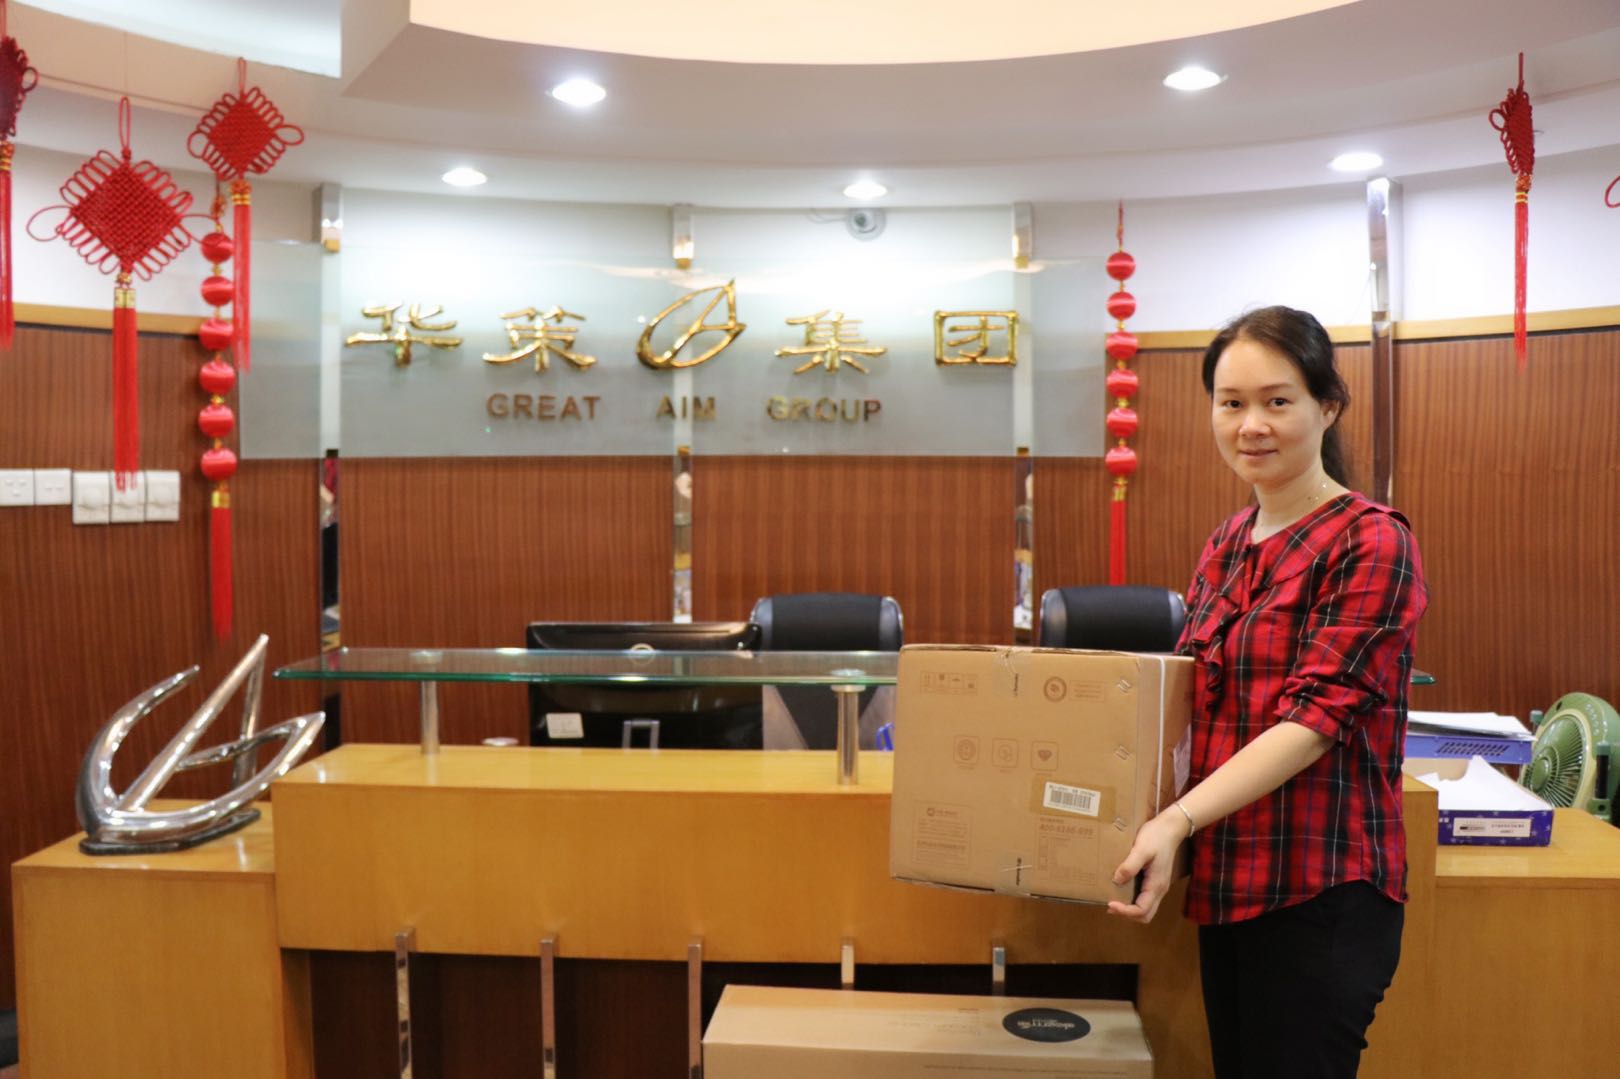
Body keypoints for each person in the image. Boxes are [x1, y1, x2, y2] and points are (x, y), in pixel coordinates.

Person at [1105, 306, 1428, 1079]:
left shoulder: (1372, 539)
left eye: (1277, 401)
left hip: (1319, 888)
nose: (1251, 425)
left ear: (1328, 406)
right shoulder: (1226, 542)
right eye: (1231, 402)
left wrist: (1177, 817)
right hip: (1229, 879)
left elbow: (1313, 720)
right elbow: (1193, 700)